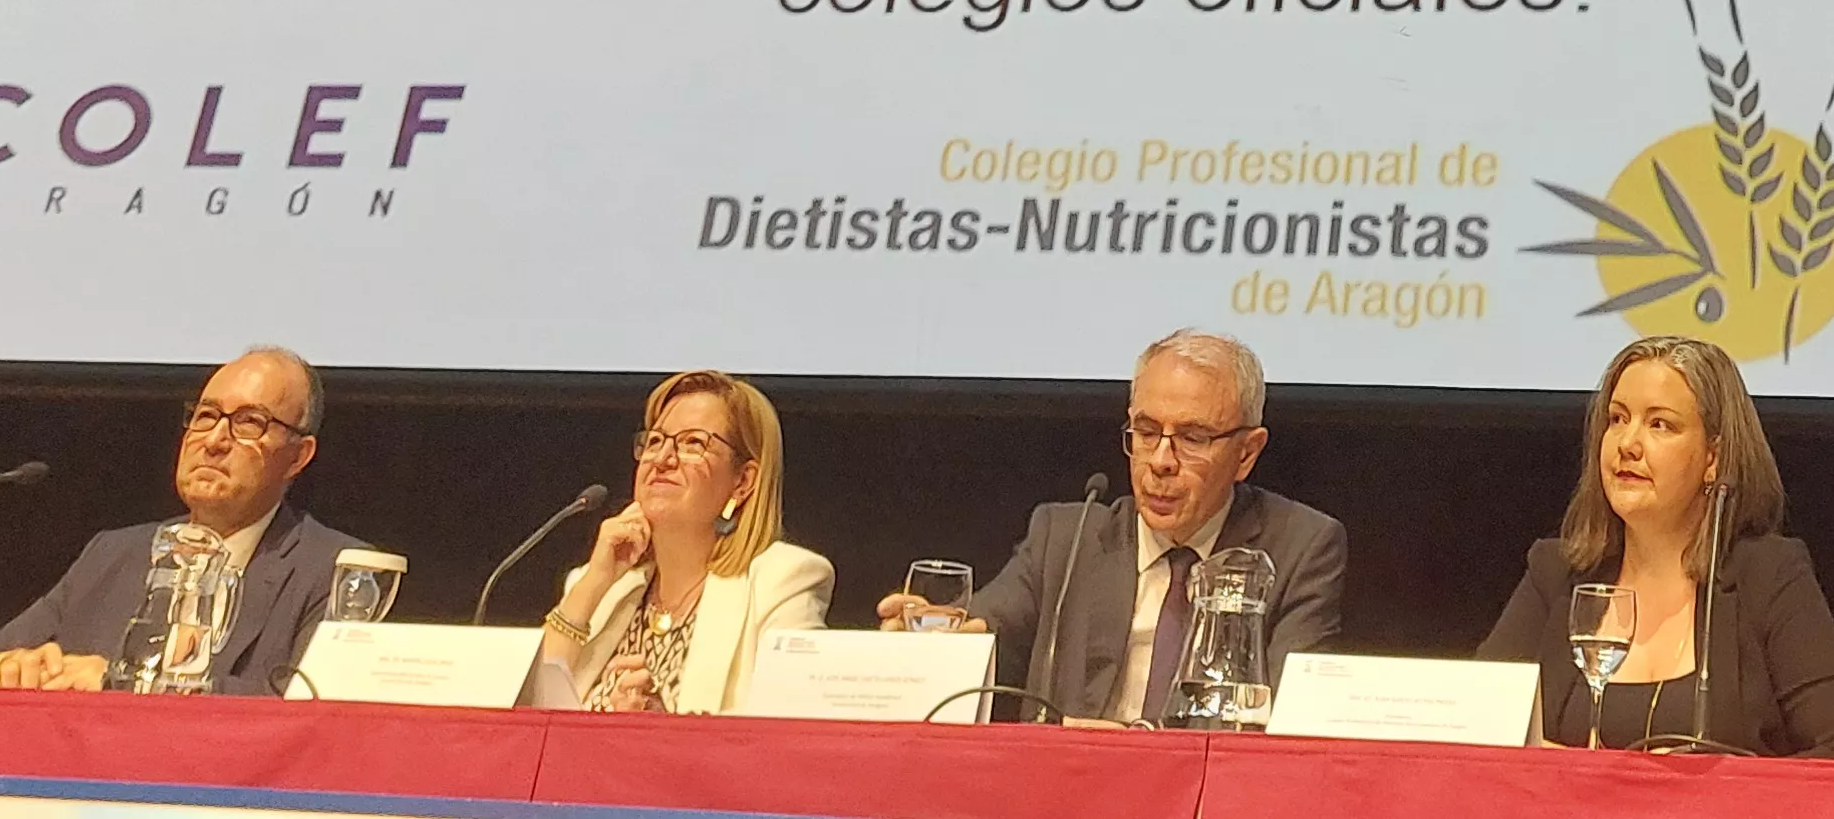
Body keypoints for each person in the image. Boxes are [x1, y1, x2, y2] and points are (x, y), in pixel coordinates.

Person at [902, 330, 1349, 723]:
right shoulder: (1065, 538)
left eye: (1192, 438)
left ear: (1247, 453)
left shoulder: (1299, 548)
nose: (1160, 462)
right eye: (1146, 431)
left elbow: (1293, 723)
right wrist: (934, 647)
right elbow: (987, 631)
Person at [1479, 335, 1834, 759]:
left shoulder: (1766, 576)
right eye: (1617, 419)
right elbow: (1468, 728)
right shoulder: (1556, 575)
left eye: (1660, 425)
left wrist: (1709, 790)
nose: (1627, 444)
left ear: (1713, 457)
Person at [0, 348, 362, 694]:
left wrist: (123, 682)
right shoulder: (113, 554)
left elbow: (312, 714)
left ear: (298, 456)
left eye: (248, 423)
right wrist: (12, 668)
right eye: (206, 416)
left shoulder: (336, 571)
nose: (213, 441)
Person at [525, 370, 831, 713]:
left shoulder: (782, 581)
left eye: (693, 444)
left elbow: (787, 736)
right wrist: (594, 582)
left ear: (743, 482)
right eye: (655, 441)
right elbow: (528, 709)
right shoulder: (600, 587)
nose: (662, 459)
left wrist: (667, 734)